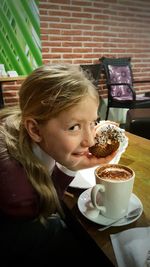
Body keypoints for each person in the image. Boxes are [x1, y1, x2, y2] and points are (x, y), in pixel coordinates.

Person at [0, 63, 116, 266]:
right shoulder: (15, 187)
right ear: (35, 130)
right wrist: (70, 166)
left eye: (92, 123)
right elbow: (45, 209)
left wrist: (73, 164)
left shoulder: (31, 133)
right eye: (74, 127)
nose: (90, 140)